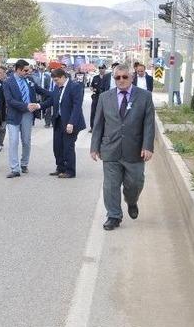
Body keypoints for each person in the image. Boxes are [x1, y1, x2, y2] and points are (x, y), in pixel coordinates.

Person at [90, 65, 156, 231]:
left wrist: (147, 146)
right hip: (110, 148)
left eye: (124, 77)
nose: (121, 80)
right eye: (117, 77)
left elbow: (149, 124)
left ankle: (131, 201)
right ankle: (113, 216)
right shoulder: (105, 97)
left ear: (131, 77)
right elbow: (98, 124)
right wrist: (94, 146)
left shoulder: (145, 96)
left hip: (134, 150)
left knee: (135, 183)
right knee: (110, 185)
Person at [3, 59, 49, 178]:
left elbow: (40, 90)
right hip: (14, 115)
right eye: (25, 70)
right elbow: (9, 100)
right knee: (13, 141)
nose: (28, 72)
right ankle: (15, 168)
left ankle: (24, 163)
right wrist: (25, 106)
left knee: (26, 141)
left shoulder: (29, 80)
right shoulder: (8, 82)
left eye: (28, 70)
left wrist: (55, 94)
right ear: (17, 70)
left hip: (28, 115)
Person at [39, 69, 86, 179]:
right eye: (54, 81)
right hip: (59, 120)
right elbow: (51, 101)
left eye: (57, 80)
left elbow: (77, 106)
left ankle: (70, 171)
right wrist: (38, 106)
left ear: (63, 77)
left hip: (71, 122)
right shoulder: (57, 87)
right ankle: (60, 167)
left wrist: (71, 123)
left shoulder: (75, 86)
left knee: (68, 147)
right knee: (57, 146)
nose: (56, 83)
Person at [89, 65, 107, 134]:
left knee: (104, 113)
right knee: (93, 112)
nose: (101, 69)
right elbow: (91, 86)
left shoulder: (107, 77)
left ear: (105, 69)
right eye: (100, 68)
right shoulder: (95, 77)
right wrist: (93, 89)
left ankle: (103, 127)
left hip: (105, 98)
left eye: (102, 68)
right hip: (96, 97)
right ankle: (92, 127)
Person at [0, 66, 8, 152]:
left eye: (0, 73)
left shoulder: (7, 83)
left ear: (4, 74)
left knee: (2, 128)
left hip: (5, 109)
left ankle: (0, 143)